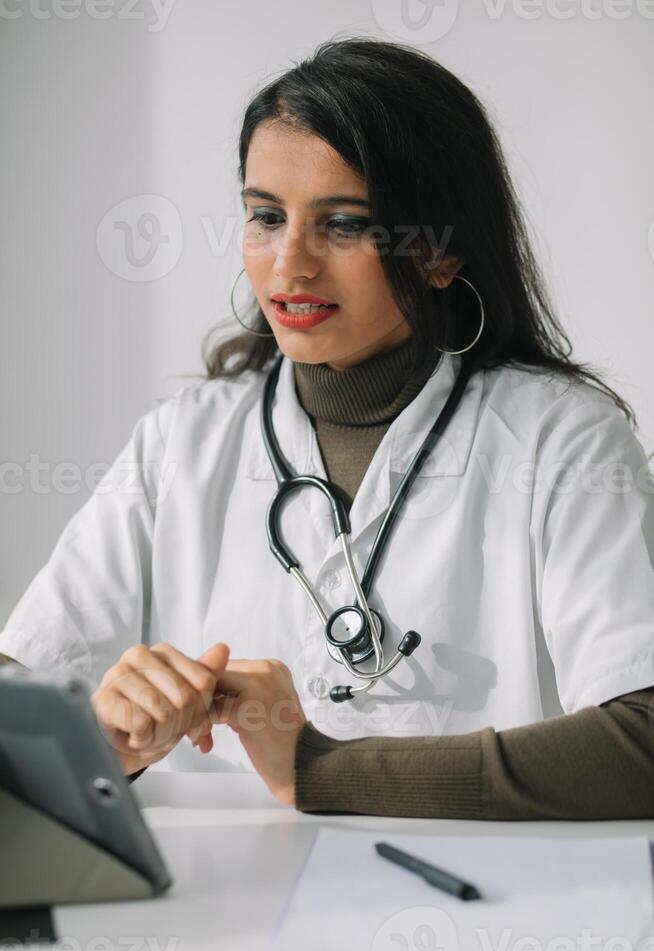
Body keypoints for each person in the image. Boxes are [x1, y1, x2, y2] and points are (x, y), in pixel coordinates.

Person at [1, 36, 653, 819]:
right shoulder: (183, 443)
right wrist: (101, 744)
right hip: (224, 927)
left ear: (441, 256)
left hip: (488, 928)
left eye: (343, 225)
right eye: (266, 217)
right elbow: (18, 719)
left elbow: (639, 745)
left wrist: (321, 770)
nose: (289, 265)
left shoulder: (562, 440)